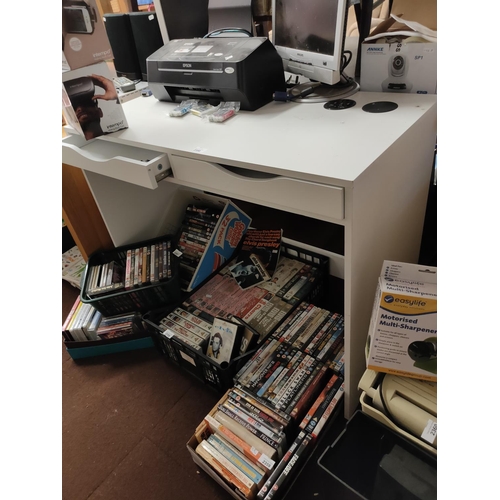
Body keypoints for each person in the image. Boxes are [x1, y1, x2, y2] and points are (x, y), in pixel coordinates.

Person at [66, 74, 119, 140]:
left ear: (100, 112)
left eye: (86, 104)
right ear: (71, 119)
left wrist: (116, 94)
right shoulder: (70, 146)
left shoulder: (119, 136)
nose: (80, 108)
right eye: (74, 107)